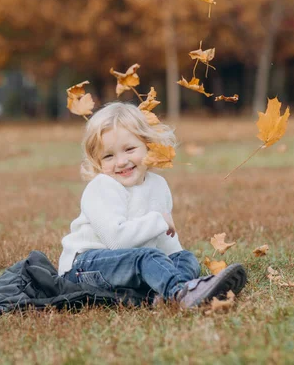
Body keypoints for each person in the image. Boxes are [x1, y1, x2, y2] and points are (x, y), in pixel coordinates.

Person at [58, 102, 246, 308]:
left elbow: (166, 242)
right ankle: (180, 293)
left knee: (185, 258)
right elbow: (117, 241)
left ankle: (169, 294)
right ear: (97, 161)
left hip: (133, 263)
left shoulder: (158, 185)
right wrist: (158, 221)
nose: (121, 162)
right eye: (109, 156)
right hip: (86, 266)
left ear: (149, 145)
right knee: (147, 257)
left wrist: (175, 259)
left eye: (129, 149)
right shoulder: (101, 187)